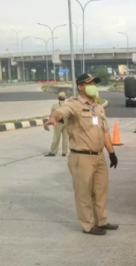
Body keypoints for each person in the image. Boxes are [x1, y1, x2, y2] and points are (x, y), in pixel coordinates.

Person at [44, 74, 119, 236]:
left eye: (94, 83)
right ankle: (88, 225)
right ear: (80, 86)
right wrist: (52, 119)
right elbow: (60, 112)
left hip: (99, 156)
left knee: (100, 191)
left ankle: (101, 221)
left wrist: (112, 153)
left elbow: (104, 131)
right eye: (89, 83)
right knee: (83, 192)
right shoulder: (74, 105)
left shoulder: (98, 106)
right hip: (81, 157)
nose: (93, 85)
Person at [44, 92, 69, 157]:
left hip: (59, 123)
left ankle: (53, 152)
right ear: (65, 98)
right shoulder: (67, 105)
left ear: (58, 98)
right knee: (65, 138)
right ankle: (64, 152)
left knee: (56, 138)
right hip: (64, 123)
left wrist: (50, 122)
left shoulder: (55, 106)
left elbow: (51, 115)